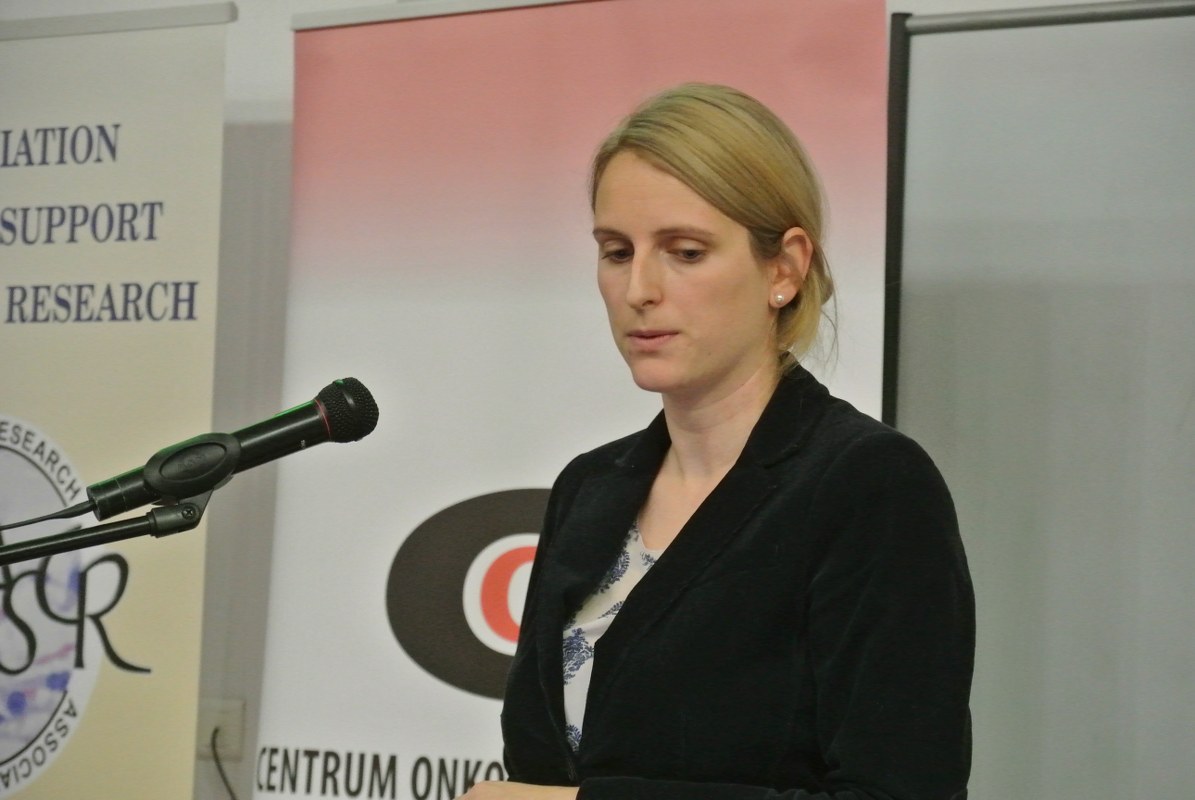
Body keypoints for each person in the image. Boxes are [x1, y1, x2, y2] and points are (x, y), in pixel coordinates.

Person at [462, 83, 974, 800]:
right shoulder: (590, 486)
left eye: (686, 252)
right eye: (616, 251)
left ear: (783, 269)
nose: (639, 289)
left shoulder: (868, 483)